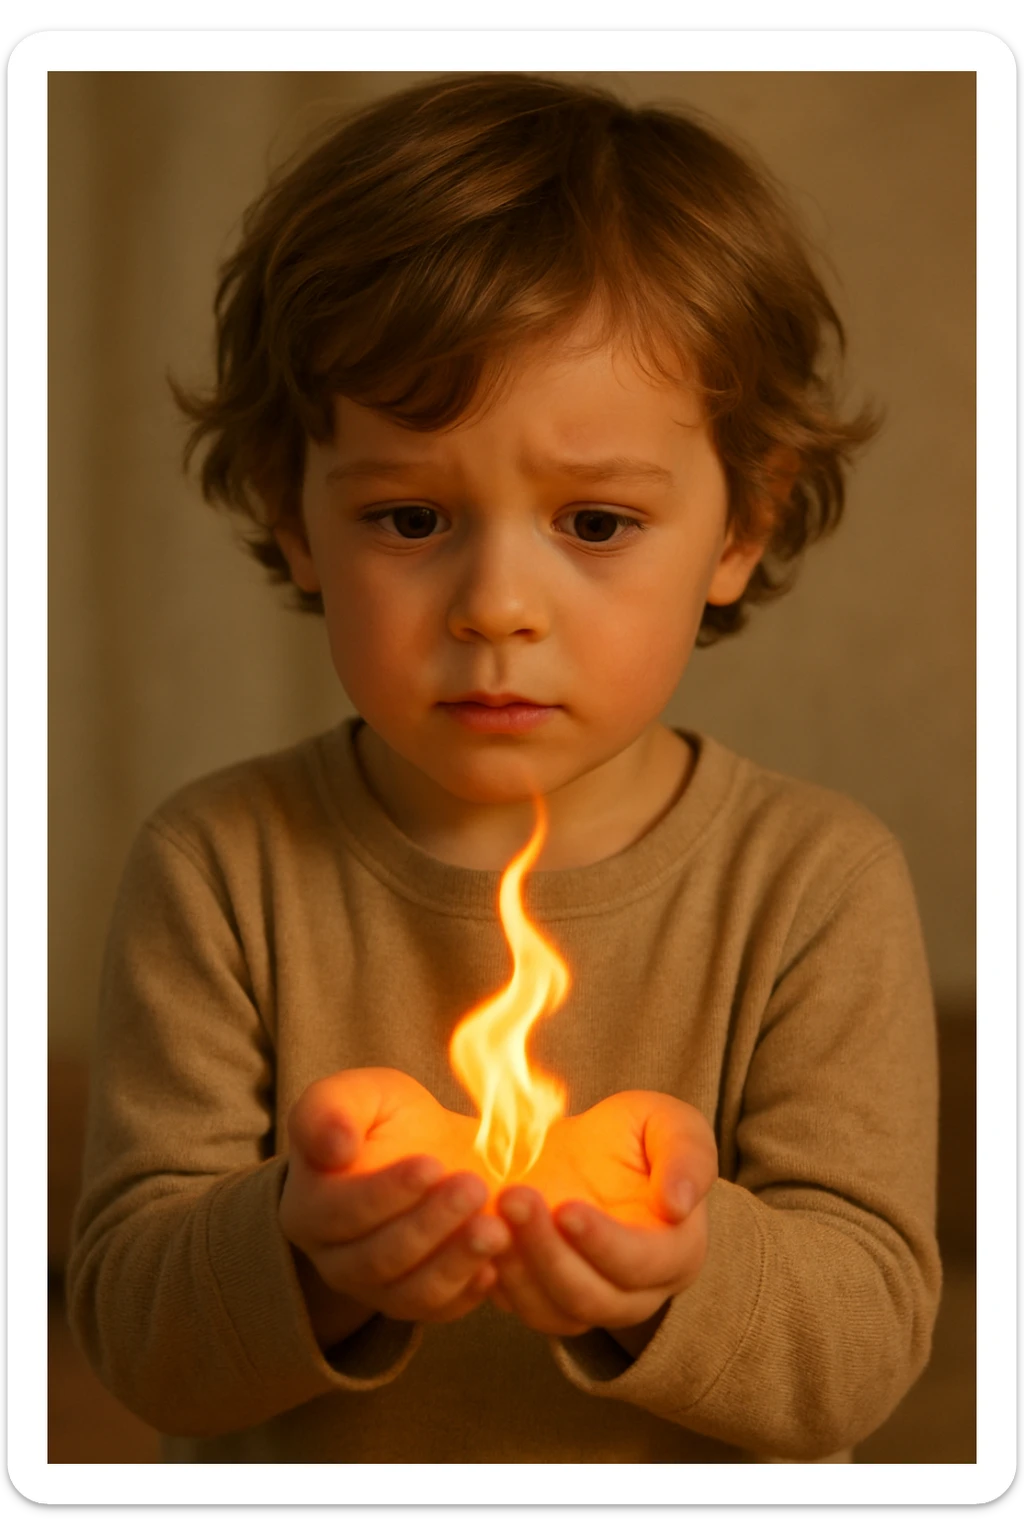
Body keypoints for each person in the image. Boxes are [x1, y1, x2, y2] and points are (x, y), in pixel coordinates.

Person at [67, 73, 940, 1465]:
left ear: (740, 529)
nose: (496, 604)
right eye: (410, 516)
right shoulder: (221, 866)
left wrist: (676, 1271)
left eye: (594, 521)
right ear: (296, 518)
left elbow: (864, 1347)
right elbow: (134, 1331)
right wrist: (303, 1244)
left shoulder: (814, 885)